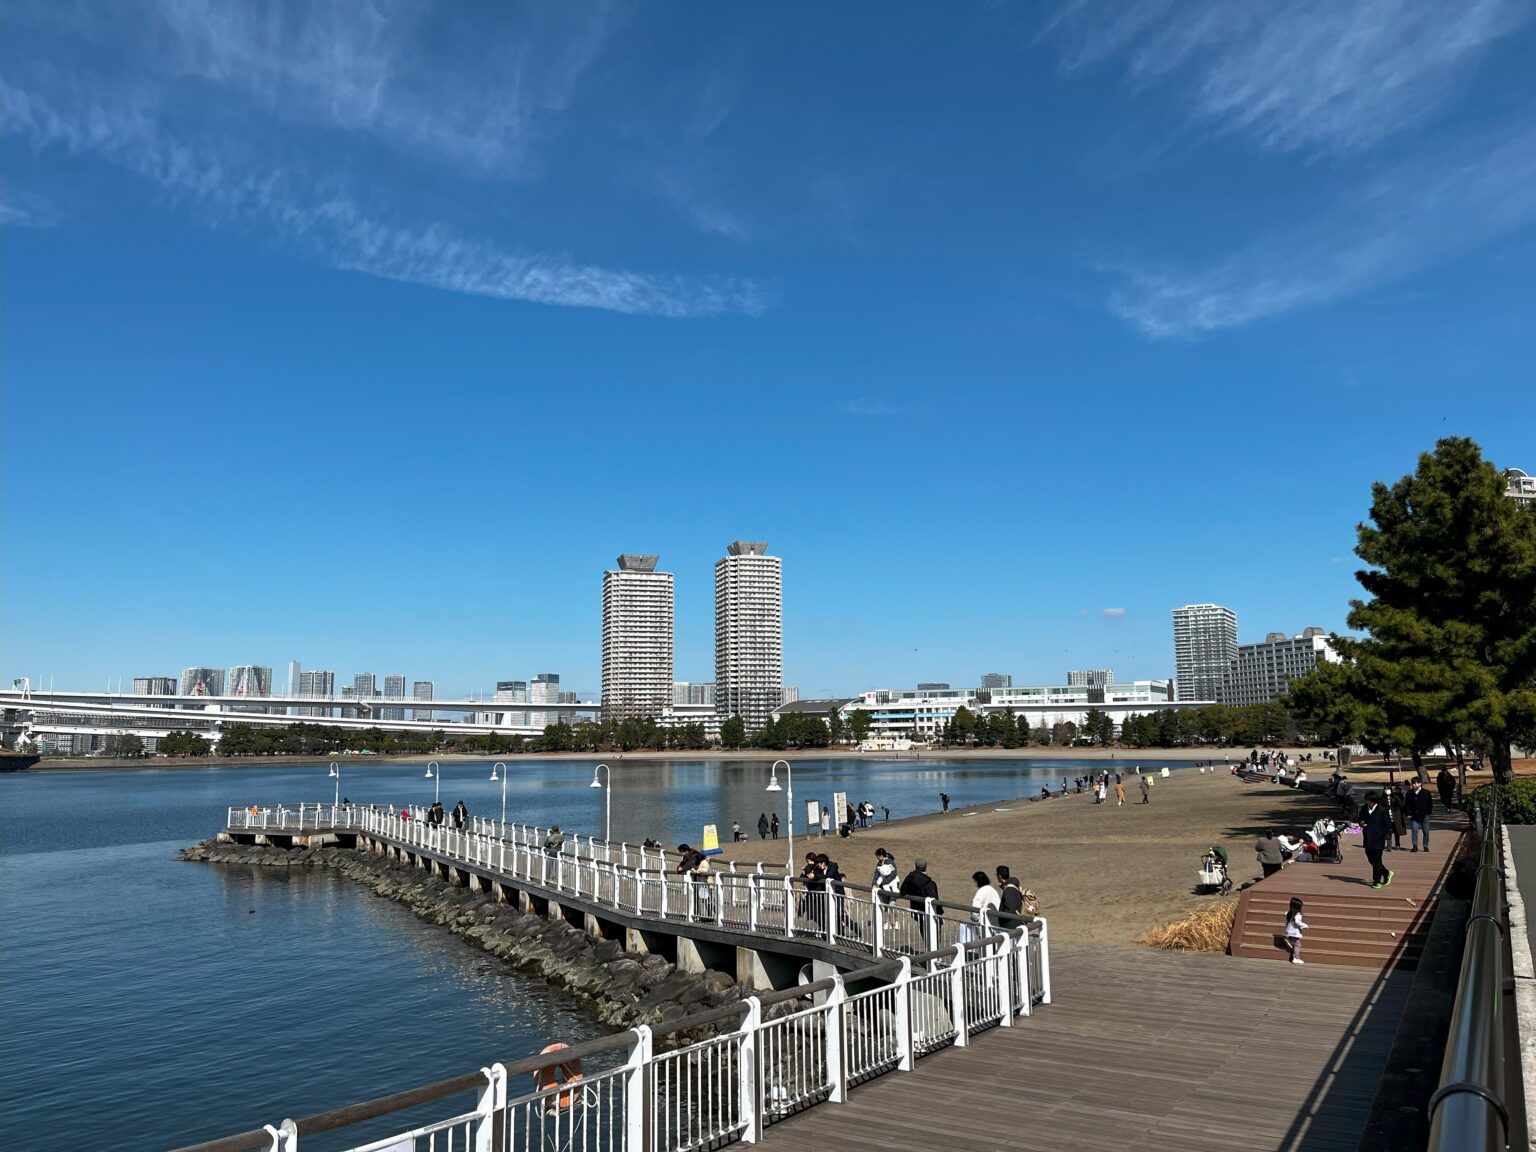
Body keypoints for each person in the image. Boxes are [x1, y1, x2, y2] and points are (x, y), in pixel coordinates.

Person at [1361, 793, 1393, 888]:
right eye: (1367, 800)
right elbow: (1360, 818)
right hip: (1367, 837)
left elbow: (1388, 824)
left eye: (1370, 801)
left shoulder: (1382, 810)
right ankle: (1386, 873)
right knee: (1370, 858)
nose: (1368, 802)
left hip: (1379, 837)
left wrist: (1387, 834)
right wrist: (1361, 822)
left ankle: (1376, 881)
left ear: (1375, 801)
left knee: (1377, 860)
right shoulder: (1364, 809)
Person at [969, 871, 1001, 939]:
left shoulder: (981, 892)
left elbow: (975, 910)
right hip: (996, 924)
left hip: (984, 924)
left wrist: (975, 919)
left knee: (985, 946)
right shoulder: (993, 890)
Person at [1406, 778, 1434, 851]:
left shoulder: (1426, 792)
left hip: (1424, 815)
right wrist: (1408, 813)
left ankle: (1425, 846)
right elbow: (1407, 804)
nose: (1415, 785)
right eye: (1413, 783)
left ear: (1420, 783)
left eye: (1416, 783)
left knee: (1426, 831)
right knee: (1414, 830)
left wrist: (1428, 812)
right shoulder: (1409, 793)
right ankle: (1415, 846)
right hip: (1414, 815)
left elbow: (1430, 803)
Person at [1284, 897, 1308, 964]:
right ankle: (1296, 958)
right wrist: (1305, 926)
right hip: (1295, 933)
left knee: (1292, 945)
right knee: (1298, 945)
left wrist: (1286, 929)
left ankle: (1293, 957)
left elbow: (1286, 923)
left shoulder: (1288, 914)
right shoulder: (1297, 915)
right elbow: (1297, 922)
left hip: (1289, 932)